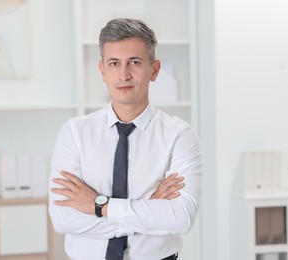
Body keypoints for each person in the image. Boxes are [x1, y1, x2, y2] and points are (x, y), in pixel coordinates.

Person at [49, 18, 202, 260]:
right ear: (102, 70)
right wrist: (149, 208)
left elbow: (181, 218)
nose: (123, 74)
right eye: (114, 63)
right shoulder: (74, 133)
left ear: (154, 70)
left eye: (135, 62)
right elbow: (62, 219)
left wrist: (98, 205)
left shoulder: (180, 136)